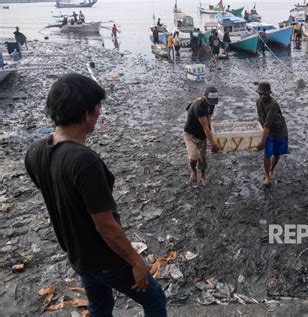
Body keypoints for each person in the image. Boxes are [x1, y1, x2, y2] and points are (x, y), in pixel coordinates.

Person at [24, 74, 168, 317]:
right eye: (97, 106)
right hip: (106, 259)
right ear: (85, 113)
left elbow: (57, 197)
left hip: (78, 256)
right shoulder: (84, 161)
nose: (100, 111)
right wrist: (136, 262)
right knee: (154, 300)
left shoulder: (35, 151)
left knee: (99, 306)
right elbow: (106, 227)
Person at [183, 86, 221, 186]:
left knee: (202, 158)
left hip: (202, 136)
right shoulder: (198, 106)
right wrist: (213, 144)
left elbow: (209, 118)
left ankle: (203, 175)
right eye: (210, 101)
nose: (211, 103)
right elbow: (205, 127)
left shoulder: (211, 103)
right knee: (194, 156)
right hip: (190, 134)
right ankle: (194, 171)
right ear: (204, 96)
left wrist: (213, 133)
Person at [255, 82, 288, 186]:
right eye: (261, 94)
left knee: (277, 154)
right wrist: (260, 135)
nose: (263, 96)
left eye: (265, 94)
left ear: (269, 93)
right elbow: (261, 118)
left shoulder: (273, 104)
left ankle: (271, 169)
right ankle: (267, 176)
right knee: (267, 154)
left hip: (279, 130)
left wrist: (261, 142)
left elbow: (268, 124)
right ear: (258, 93)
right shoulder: (258, 101)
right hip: (267, 130)